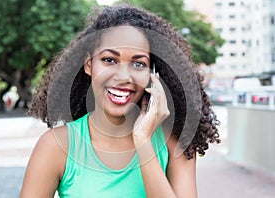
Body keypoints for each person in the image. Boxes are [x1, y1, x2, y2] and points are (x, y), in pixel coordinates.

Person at [20, 4, 220, 198]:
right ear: (89, 65)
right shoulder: (56, 145)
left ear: (154, 74)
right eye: (109, 60)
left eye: (138, 63)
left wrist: (142, 141)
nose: (124, 76)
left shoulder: (175, 141)